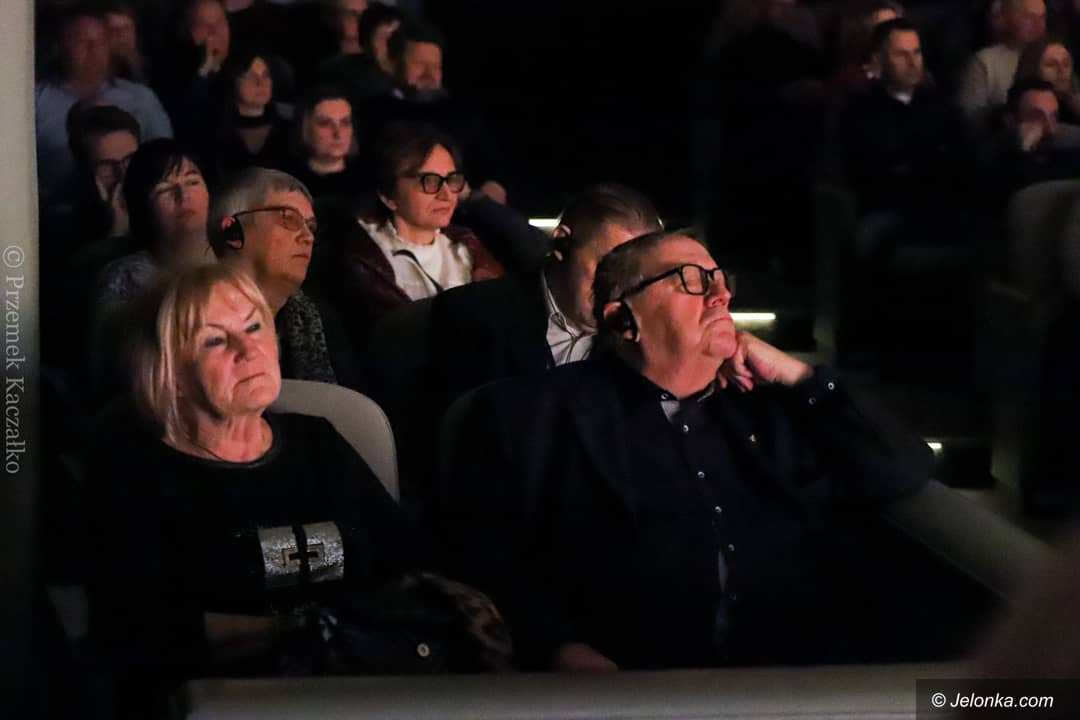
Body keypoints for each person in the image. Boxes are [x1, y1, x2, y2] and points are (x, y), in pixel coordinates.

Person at [440, 229, 933, 671]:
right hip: (627, 687)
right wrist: (557, 647)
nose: (721, 295)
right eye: (692, 280)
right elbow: (485, 555)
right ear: (623, 319)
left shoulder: (776, 407)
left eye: (720, 279)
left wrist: (802, 375)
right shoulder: (531, 416)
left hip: (796, 680)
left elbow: (902, 469)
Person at [85, 262, 419, 715]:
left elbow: (403, 562)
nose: (249, 350)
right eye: (215, 340)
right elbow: (140, 632)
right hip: (218, 701)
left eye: (254, 326)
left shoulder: (319, 439)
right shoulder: (133, 465)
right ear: (169, 373)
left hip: (360, 691)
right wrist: (303, 629)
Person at [429, 183, 662, 413]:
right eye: (606, 267)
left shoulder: (642, 341)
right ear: (562, 242)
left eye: (634, 275)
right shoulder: (472, 316)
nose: (618, 289)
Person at [328, 121, 503, 342]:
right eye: (429, 181)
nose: (446, 195)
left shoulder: (467, 246)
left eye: (452, 180)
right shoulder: (362, 259)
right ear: (388, 196)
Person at [209, 167, 361, 389]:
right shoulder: (191, 320)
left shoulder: (320, 320)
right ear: (233, 231)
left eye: (311, 227)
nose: (307, 237)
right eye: (288, 219)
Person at [35, 5, 172, 209]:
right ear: (60, 47)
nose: (93, 49)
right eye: (81, 42)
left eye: (100, 42)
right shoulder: (36, 101)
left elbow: (165, 160)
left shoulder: (141, 99)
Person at [96, 139, 212, 308]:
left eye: (192, 182)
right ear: (143, 207)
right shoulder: (127, 278)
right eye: (164, 189)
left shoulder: (236, 252)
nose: (183, 195)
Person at [957, 0, 1047, 131]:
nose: (1038, 24)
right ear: (1007, 18)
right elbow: (968, 117)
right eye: (1028, 17)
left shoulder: (1056, 56)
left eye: (1042, 17)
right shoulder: (985, 61)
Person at [212, 51, 291, 178]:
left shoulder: (289, 129)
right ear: (233, 80)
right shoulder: (215, 130)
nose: (260, 83)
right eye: (250, 76)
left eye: (266, 76)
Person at [286, 86, 364, 204]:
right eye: (325, 123)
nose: (337, 133)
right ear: (305, 128)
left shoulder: (368, 184)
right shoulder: (286, 183)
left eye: (345, 123)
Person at [1014, 38, 1080, 122]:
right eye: (1051, 65)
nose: (1061, 70)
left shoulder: (1074, 107)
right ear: (1032, 68)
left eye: (1066, 64)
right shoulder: (1020, 111)